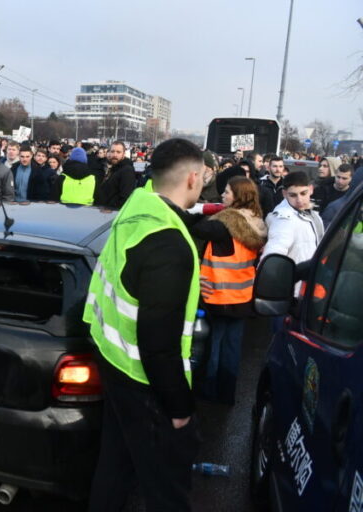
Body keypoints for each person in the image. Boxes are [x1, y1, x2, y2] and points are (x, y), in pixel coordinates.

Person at [84, 138, 203, 511]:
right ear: (192, 179)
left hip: (113, 361)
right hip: (145, 382)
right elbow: (159, 343)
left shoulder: (138, 206)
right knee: (166, 491)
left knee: (115, 469)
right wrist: (179, 408)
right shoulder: (169, 245)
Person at [191, 176, 266, 404]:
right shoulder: (256, 221)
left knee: (213, 347)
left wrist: (188, 206)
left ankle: (209, 391)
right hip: (243, 296)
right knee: (232, 348)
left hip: (219, 295)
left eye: (227, 192)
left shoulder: (225, 225)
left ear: (238, 197)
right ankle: (227, 394)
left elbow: (196, 226)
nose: (222, 195)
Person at [263, 171, 324, 296]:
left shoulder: (312, 214)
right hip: (291, 292)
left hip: (306, 288)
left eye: (303, 193)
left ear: (311, 190)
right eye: (293, 195)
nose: (299, 200)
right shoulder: (285, 219)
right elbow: (272, 256)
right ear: (284, 194)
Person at [96, 141, 136, 208]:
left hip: (112, 213)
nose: (115, 155)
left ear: (124, 154)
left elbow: (125, 198)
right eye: (112, 151)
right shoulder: (115, 168)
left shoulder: (127, 171)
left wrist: (111, 208)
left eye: (118, 152)